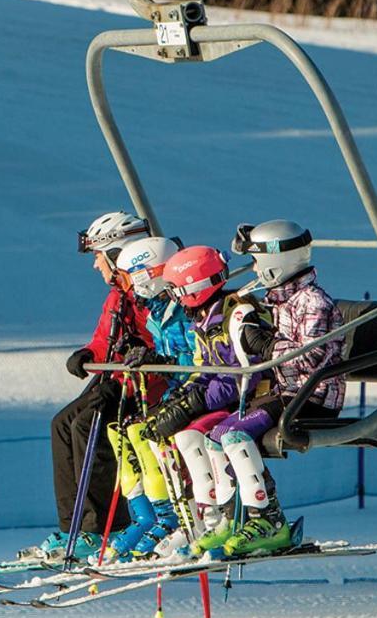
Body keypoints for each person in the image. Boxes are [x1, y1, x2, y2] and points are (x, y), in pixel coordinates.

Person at [19, 211, 157, 562]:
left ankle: (100, 529)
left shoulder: (149, 290)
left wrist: (144, 352)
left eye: (99, 256)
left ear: (117, 253)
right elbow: (104, 339)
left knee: (89, 425)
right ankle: (74, 527)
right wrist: (87, 354)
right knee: (61, 425)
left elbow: (166, 336)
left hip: (144, 384)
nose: (96, 266)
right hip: (115, 378)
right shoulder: (118, 296)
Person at [206, 219, 346, 557]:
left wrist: (267, 345)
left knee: (236, 437)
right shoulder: (279, 301)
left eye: (257, 261)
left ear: (274, 264)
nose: (254, 268)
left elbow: (314, 357)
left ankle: (268, 519)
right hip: (288, 393)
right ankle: (230, 518)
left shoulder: (314, 302)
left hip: (313, 397)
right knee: (216, 434)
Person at [141, 245, 272, 557]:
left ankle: (235, 517)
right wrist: (181, 400)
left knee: (214, 436)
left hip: (250, 400)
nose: (173, 298)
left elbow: (244, 375)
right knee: (183, 436)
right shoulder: (203, 322)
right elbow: (203, 370)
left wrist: (197, 402)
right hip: (226, 401)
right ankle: (207, 520)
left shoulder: (237, 315)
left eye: (176, 291)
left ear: (194, 288)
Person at [100, 235, 192, 561]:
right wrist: (147, 354)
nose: (129, 286)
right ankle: (148, 516)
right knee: (126, 431)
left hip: (194, 391)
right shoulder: (156, 312)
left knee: (153, 431)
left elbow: (194, 357)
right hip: (176, 390)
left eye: (132, 277)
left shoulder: (183, 309)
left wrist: (162, 363)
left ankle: (174, 516)